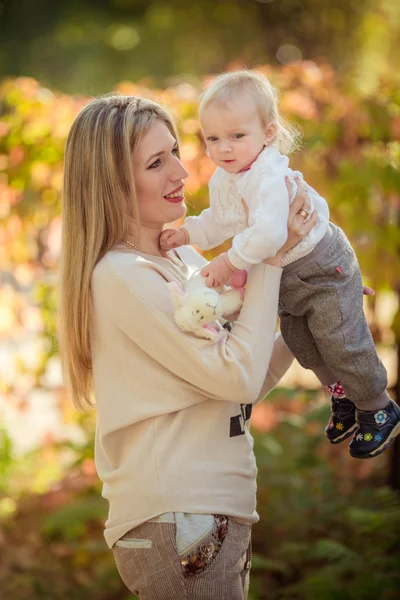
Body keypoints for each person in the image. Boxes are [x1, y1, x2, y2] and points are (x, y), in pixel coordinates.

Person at [59, 93, 318, 600]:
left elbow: (239, 386)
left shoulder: (180, 260)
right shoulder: (123, 274)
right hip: (178, 518)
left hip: (209, 512)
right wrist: (269, 254)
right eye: (157, 163)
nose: (181, 171)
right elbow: (237, 374)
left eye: (176, 151)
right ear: (111, 183)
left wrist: (313, 317)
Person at [160, 70, 400, 460]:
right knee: (302, 339)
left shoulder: (268, 175)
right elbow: (220, 220)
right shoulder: (227, 177)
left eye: (237, 136)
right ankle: (343, 396)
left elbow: (271, 235)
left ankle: (377, 406)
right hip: (287, 270)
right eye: (213, 138)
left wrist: (228, 260)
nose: (224, 148)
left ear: (268, 132)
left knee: (339, 337)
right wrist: (188, 234)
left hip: (320, 264)